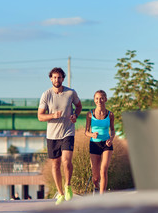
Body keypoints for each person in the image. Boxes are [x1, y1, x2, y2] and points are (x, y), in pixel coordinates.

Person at [38, 67, 82, 205]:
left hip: (68, 132)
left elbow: (79, 106)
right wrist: (52, 115)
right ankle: (61, 193)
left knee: (66, 161)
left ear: (63, 78)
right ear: (51, 79)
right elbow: (40, 116)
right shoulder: (46, 95)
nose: (57, 80)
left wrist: (75, 115)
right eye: (54, 77)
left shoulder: (71, 93)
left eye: (59, 77)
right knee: (55, 164)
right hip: (52, 135)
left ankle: (67, 185)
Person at [84, 90, 115, 195]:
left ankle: (102, 197)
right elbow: (86, 132)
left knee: (104, 170)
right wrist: (92, 135)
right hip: (94, 144)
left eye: (101, 98)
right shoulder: (90, 114)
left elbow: (113, 130)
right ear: (94, 100)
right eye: (97, 98)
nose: (99, 100)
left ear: (105, 99)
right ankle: (96, 187)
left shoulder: (110, 114)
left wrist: (111, 139)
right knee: (96, 176)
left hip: (106, 144)